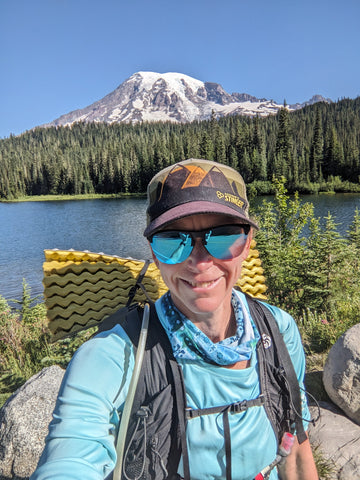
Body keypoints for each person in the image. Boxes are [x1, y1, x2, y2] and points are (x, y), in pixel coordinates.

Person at [31, 158, 318, 480]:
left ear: (247, 243)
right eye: (173, 241)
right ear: (154, 254)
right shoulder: (115, 353)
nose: (199, 263)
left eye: (223, 237)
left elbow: (295, 436)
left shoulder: (278, 328)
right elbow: (71, 455)